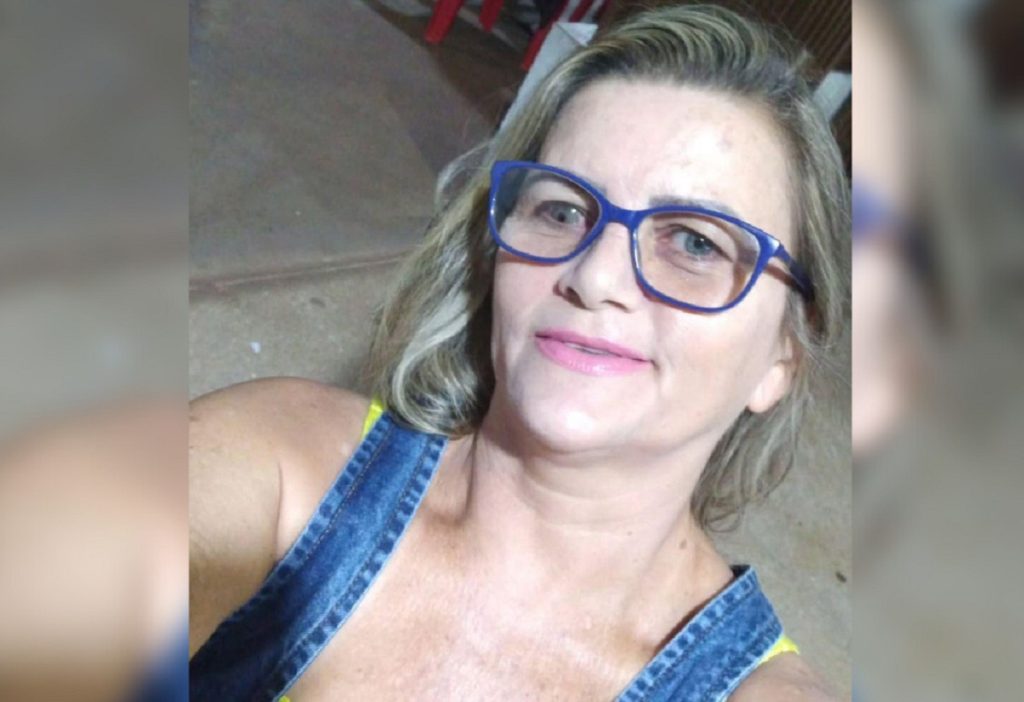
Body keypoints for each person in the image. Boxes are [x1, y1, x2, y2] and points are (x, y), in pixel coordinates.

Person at [189, 4, 848, 700]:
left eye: (695, 243)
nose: (595, 277)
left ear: (782, 356)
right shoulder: (287, 466)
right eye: (562, 211)